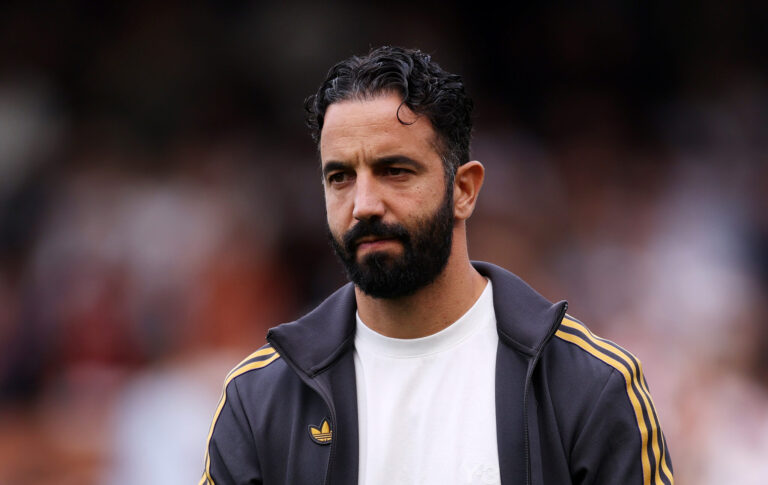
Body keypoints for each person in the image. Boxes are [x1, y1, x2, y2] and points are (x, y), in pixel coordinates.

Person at [199, 46, 674, 485]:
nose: (364, 204)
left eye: (394, 171)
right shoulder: (259, 398)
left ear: (463, 190)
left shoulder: (588, 384)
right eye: (340, 177)